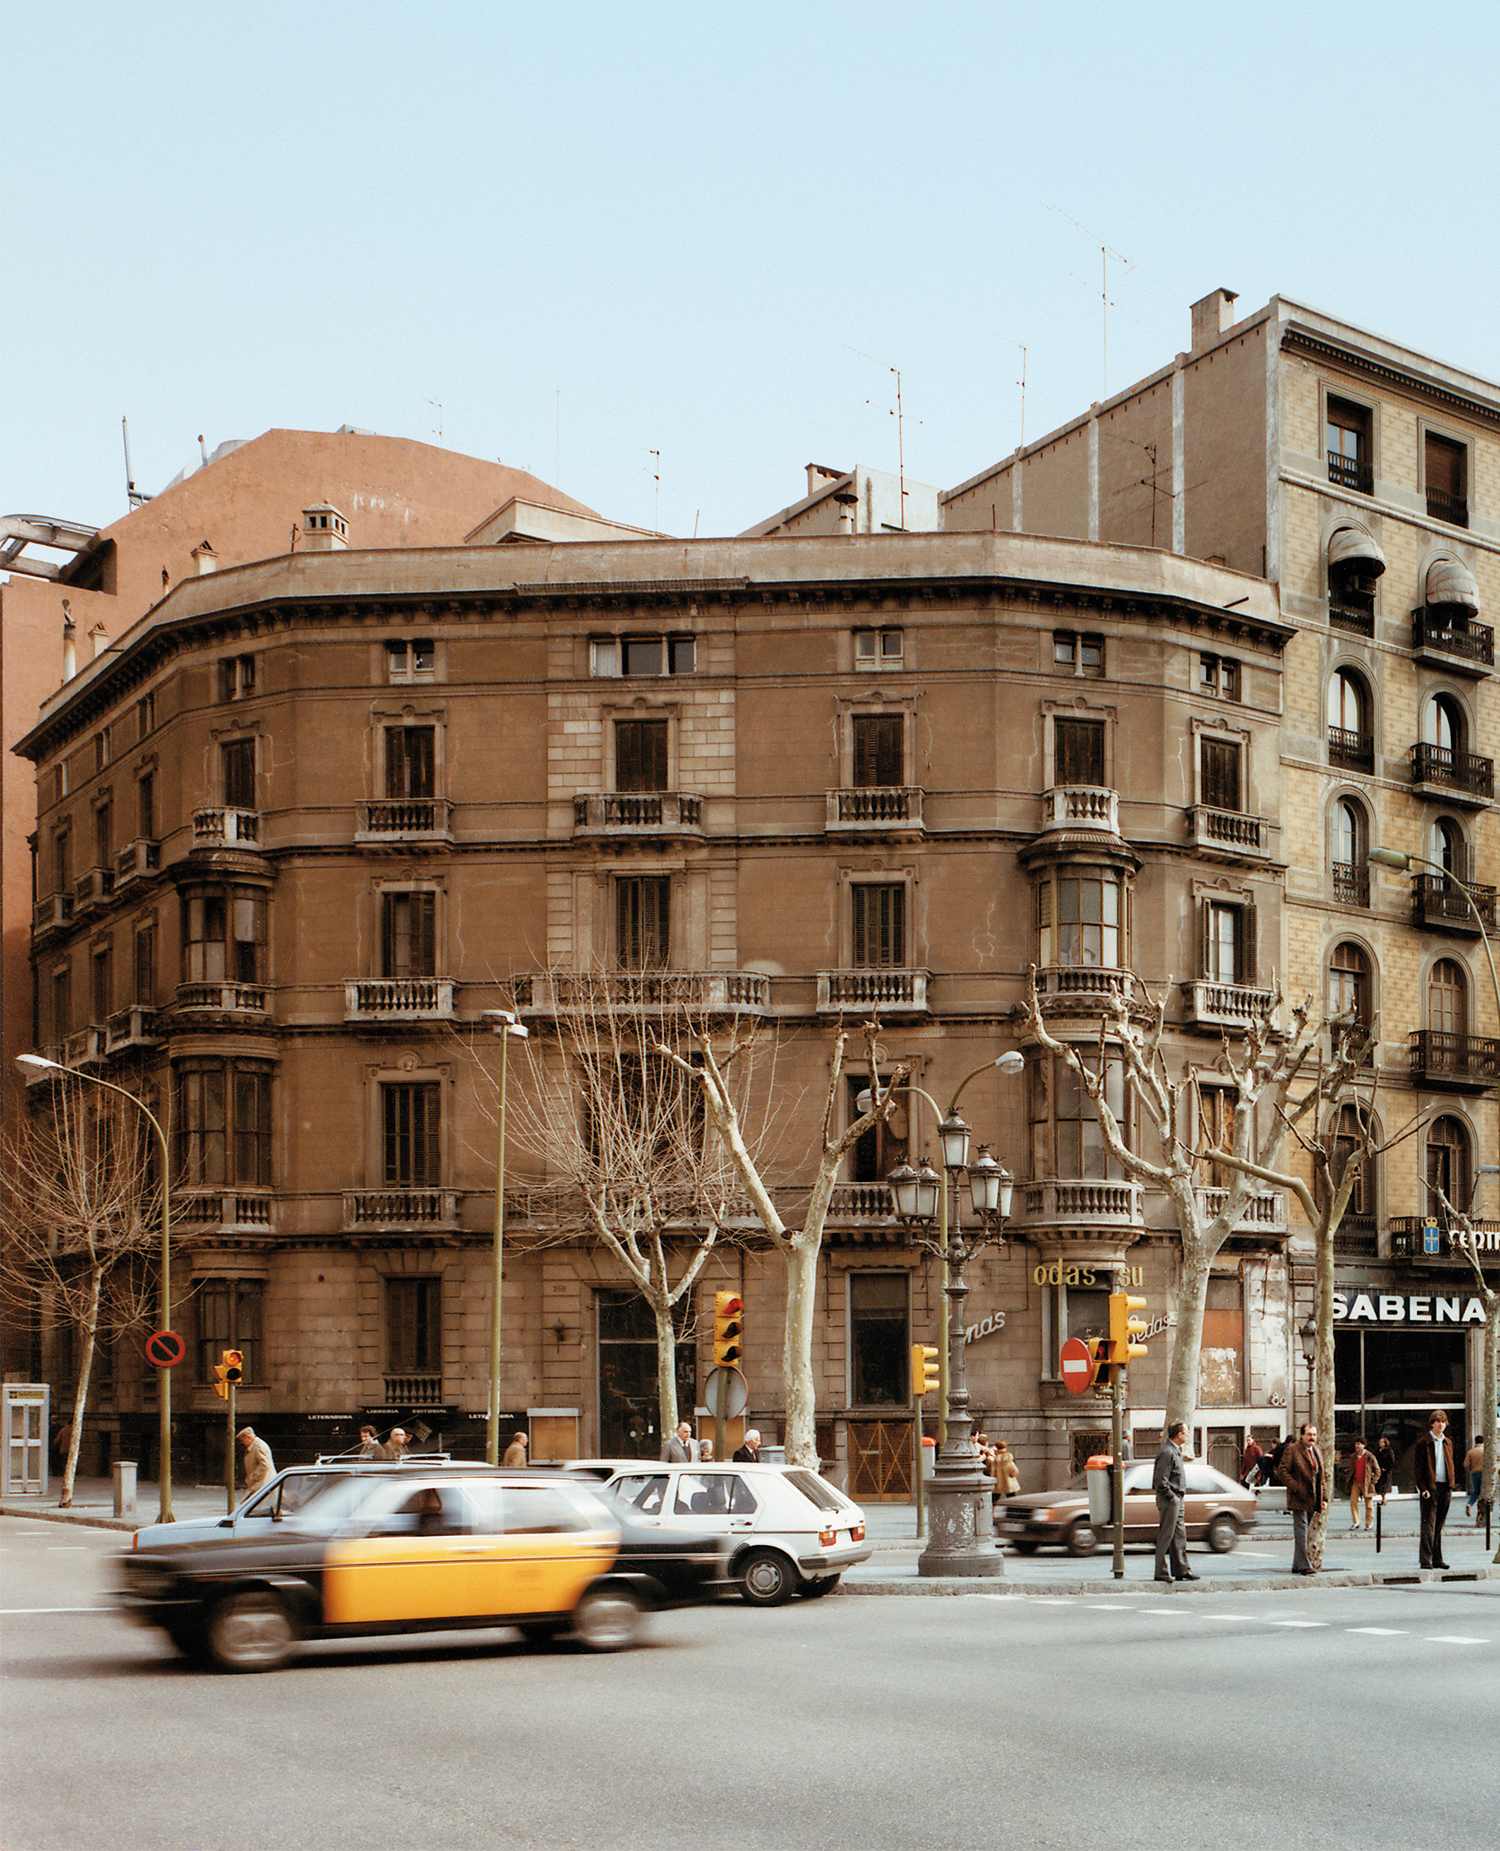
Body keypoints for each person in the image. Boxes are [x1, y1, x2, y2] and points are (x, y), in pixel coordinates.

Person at [1278, 1422, 1326, 1575]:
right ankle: (1304, 1565)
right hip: (1298, 1498)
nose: (1312, 1437)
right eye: (1309, 1434)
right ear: (1302, 1435)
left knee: (1304, 1532)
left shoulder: (1316, 1451)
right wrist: (1296, 1487)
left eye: (1314, 1435)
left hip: (1313, 1499)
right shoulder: (1292, 1450)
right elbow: (1282, 1472)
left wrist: (1323, 1498)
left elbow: (1321, 1478)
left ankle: (1296, 1564)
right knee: (1301, 1531)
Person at [1152, 1421, 1196, 1583]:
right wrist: (1172, 1497)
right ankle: (1161, 1572)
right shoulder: (1167, 1452)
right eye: (1186, 1431)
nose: (1188, 1434)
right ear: (1179, 1434)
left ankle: (1182, 1570)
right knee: (1167, 1536)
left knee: (1179, 1536)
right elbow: (1160, 1480)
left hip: (1176, 1499)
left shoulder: (1173, 1450)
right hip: (1170, 1499)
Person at [1413, 1409, 1457, 1570]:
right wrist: (1423, 1488)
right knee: (1428, 1525)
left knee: (1439, 1525)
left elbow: (1450, 1463)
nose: (1441, 1424)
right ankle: (1425, 1559)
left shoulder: (1448, 1442)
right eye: (1438, 1421)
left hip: (1445, 1487)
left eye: (1443, 1421)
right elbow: (1418, 1469)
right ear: (1432, 1423)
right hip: (1430, 1488)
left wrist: (1452, 1483)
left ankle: (1437, 1559)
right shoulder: (1423, 1442)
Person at [1347, 1435, 1380, 1531]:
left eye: (1359, 1444)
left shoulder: (1370, 1456)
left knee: (1369, 1504)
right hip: (1356, 1482)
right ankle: (1356, 1522)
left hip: (1366, 1483)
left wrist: (1372, 1482)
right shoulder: (1353, 1457)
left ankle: (1369, 1523)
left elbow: (1377, 1470)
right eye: (1355, 1444)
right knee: (1353, 1502)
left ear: (1364, 1445)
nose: (1356, 1446)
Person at [238, 1426, 274, 1497]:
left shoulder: (258, 1447)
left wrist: (252, 1478)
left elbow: (264, 1465)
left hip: (261, 1484)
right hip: (260, 1485)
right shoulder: (255, 1445)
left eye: (242, 1440)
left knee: (247, 1506)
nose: (242, 1443)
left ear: (249, 1438)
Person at [1464, 1433, 1484, 1518]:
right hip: (1484, 1473)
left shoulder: (1471, 1452)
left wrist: (1471, 1468)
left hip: (1475, 1473)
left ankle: (1470, 1503)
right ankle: (1483, 1509)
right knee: (1484, 1492)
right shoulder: (1485, 1451)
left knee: (1476, 1492)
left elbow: (1466, 1464)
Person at [1376, 1435, 1397, 1501]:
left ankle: (1384, 1498)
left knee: (1384, 1484)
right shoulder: (1378, 1451)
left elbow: (1391, 1460)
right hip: (1379, 1469)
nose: (1380, 1444)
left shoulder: (1388, 1451)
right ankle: (1381, 1497)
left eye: (1382, 1442)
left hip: (1385, 1470)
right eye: (1379, 1442)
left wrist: (1387, 1468)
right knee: (1379, 1484)